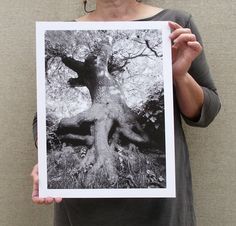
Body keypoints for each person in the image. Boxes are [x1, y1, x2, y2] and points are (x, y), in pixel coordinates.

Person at [31, 0, 221, 225]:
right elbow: (40, 122)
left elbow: (206, 112)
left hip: (159, 209)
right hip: (84, 211)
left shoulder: (174, 25)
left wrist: (180, 76)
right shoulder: (61, 32)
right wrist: (48, 161)